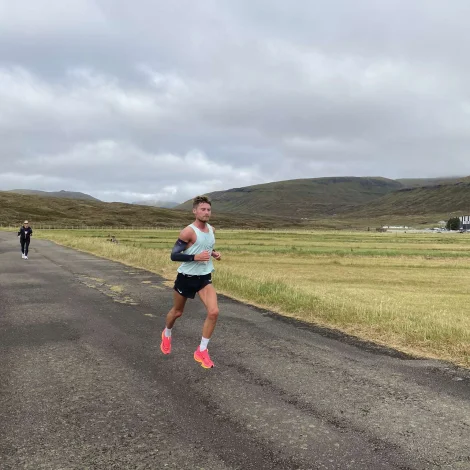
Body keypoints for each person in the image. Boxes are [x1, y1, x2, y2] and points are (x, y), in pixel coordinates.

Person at [160, 195, 222, 368]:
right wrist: (195, 257)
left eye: (208, 209)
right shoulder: (188, 231)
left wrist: (214, 253)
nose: (206, 212)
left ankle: (201, 350)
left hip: (204, 278)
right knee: (177, 312)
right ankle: (167, 333)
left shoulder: (211, 229)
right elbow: (174, 255)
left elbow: (207, 246)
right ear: (195, 211)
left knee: (214, 312)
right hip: (186, 278)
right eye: (202, 209)